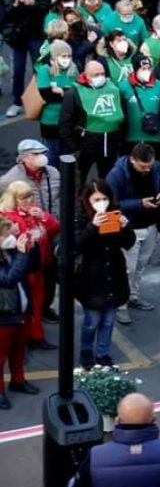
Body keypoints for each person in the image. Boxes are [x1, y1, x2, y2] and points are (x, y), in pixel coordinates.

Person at [75, 179, 135, 368]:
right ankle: (86, 350)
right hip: (91, 278)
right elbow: (77, 245)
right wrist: (92, 226)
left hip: (113, 274)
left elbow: (128, 242)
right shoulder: (81, 218)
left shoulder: (114, 215)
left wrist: (125, 227)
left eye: (104, 198)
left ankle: (102, 352)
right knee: (92, 321)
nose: (101, 202)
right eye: (96, 199)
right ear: (88, 200)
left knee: (109, 321)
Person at [105, 144, 160, 325]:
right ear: (132, 159)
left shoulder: (155, 167)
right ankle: (121, 305)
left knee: (140, 265)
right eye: (143, 166)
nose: (147, 169)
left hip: (151, 225)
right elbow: (111, 205)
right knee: (127, 268)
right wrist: (139, 204)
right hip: (129, 229)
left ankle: (133, 296)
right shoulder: (116, 175)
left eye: (149, 166)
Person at [0, 181, 60, 350]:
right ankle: (25, 340)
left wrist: (44, 217)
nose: (28, 201)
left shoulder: (34, 212)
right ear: (14, 199)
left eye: (30, 196)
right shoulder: (8, 217)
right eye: (23, 198)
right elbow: (16, 242)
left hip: (38, 268)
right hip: (22, 270)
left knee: (37, 304)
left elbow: (55, 228)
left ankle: (35, 336)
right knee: (24, 307)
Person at [0, 216, 34, 410]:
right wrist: (21, 254)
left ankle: (18, 380)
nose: (9, 236)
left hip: (18, 310)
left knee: (18, 348)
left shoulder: (8, 252)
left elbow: (31, 266)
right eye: (5, 233)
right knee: (1, 356)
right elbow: (9, 278)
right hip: (3, 315)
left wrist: (28, 247)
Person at [0, 140, 61, 221]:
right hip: (30, 227)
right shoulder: (11, 178)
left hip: (54, 223)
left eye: (43, 153)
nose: (42, 156)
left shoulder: (54, 172)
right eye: (36, 154)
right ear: (24, 157)